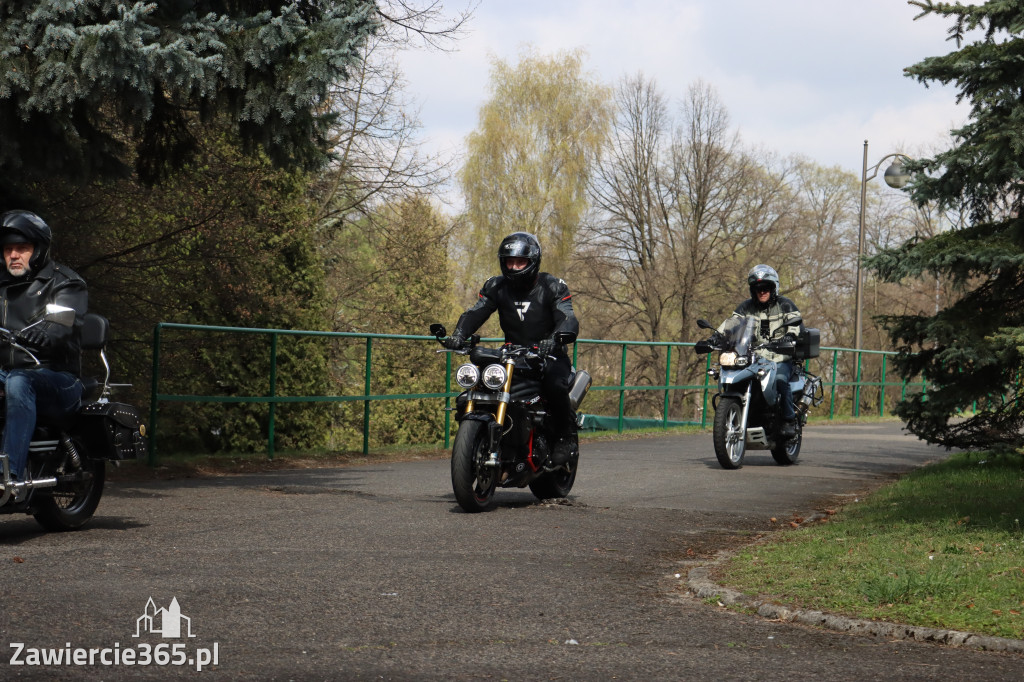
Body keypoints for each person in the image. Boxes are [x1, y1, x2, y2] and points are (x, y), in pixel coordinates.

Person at [443, 232, 580, 466]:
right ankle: (483, 436)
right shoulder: (496, 286)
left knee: (554, 385)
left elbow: (567, 317)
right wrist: (459, 335)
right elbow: (477, 311)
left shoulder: (552, 286)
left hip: (548, 354)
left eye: (520, 262)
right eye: (509, 261)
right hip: (512, 353)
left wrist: (556, 338)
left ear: (533, 261)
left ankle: (566, 438)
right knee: (479, 384)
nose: (514, 266)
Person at [0, 210, 87, 502]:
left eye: (21, 249)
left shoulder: (65, 283)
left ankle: (9, 477)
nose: (13, 255)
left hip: (58, 378)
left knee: (18, 381)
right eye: (8, 249)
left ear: (38, 250)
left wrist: (46, 333)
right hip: (9, 373)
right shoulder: (1, 286)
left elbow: (67, 321)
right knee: (13, 379)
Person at [717, 264, 802, 438]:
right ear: (752, 290)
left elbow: (796, 324)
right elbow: (732, 323)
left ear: (773, 288)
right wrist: (715, 337)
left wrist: (790, 337)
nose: (762, 292)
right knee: (735, 377)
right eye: (758, 288)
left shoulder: (785, 304)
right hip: (753, 358)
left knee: (779, 380)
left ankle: (788, 419)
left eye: (766, 288)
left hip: (780, 357)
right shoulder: (746, 307)